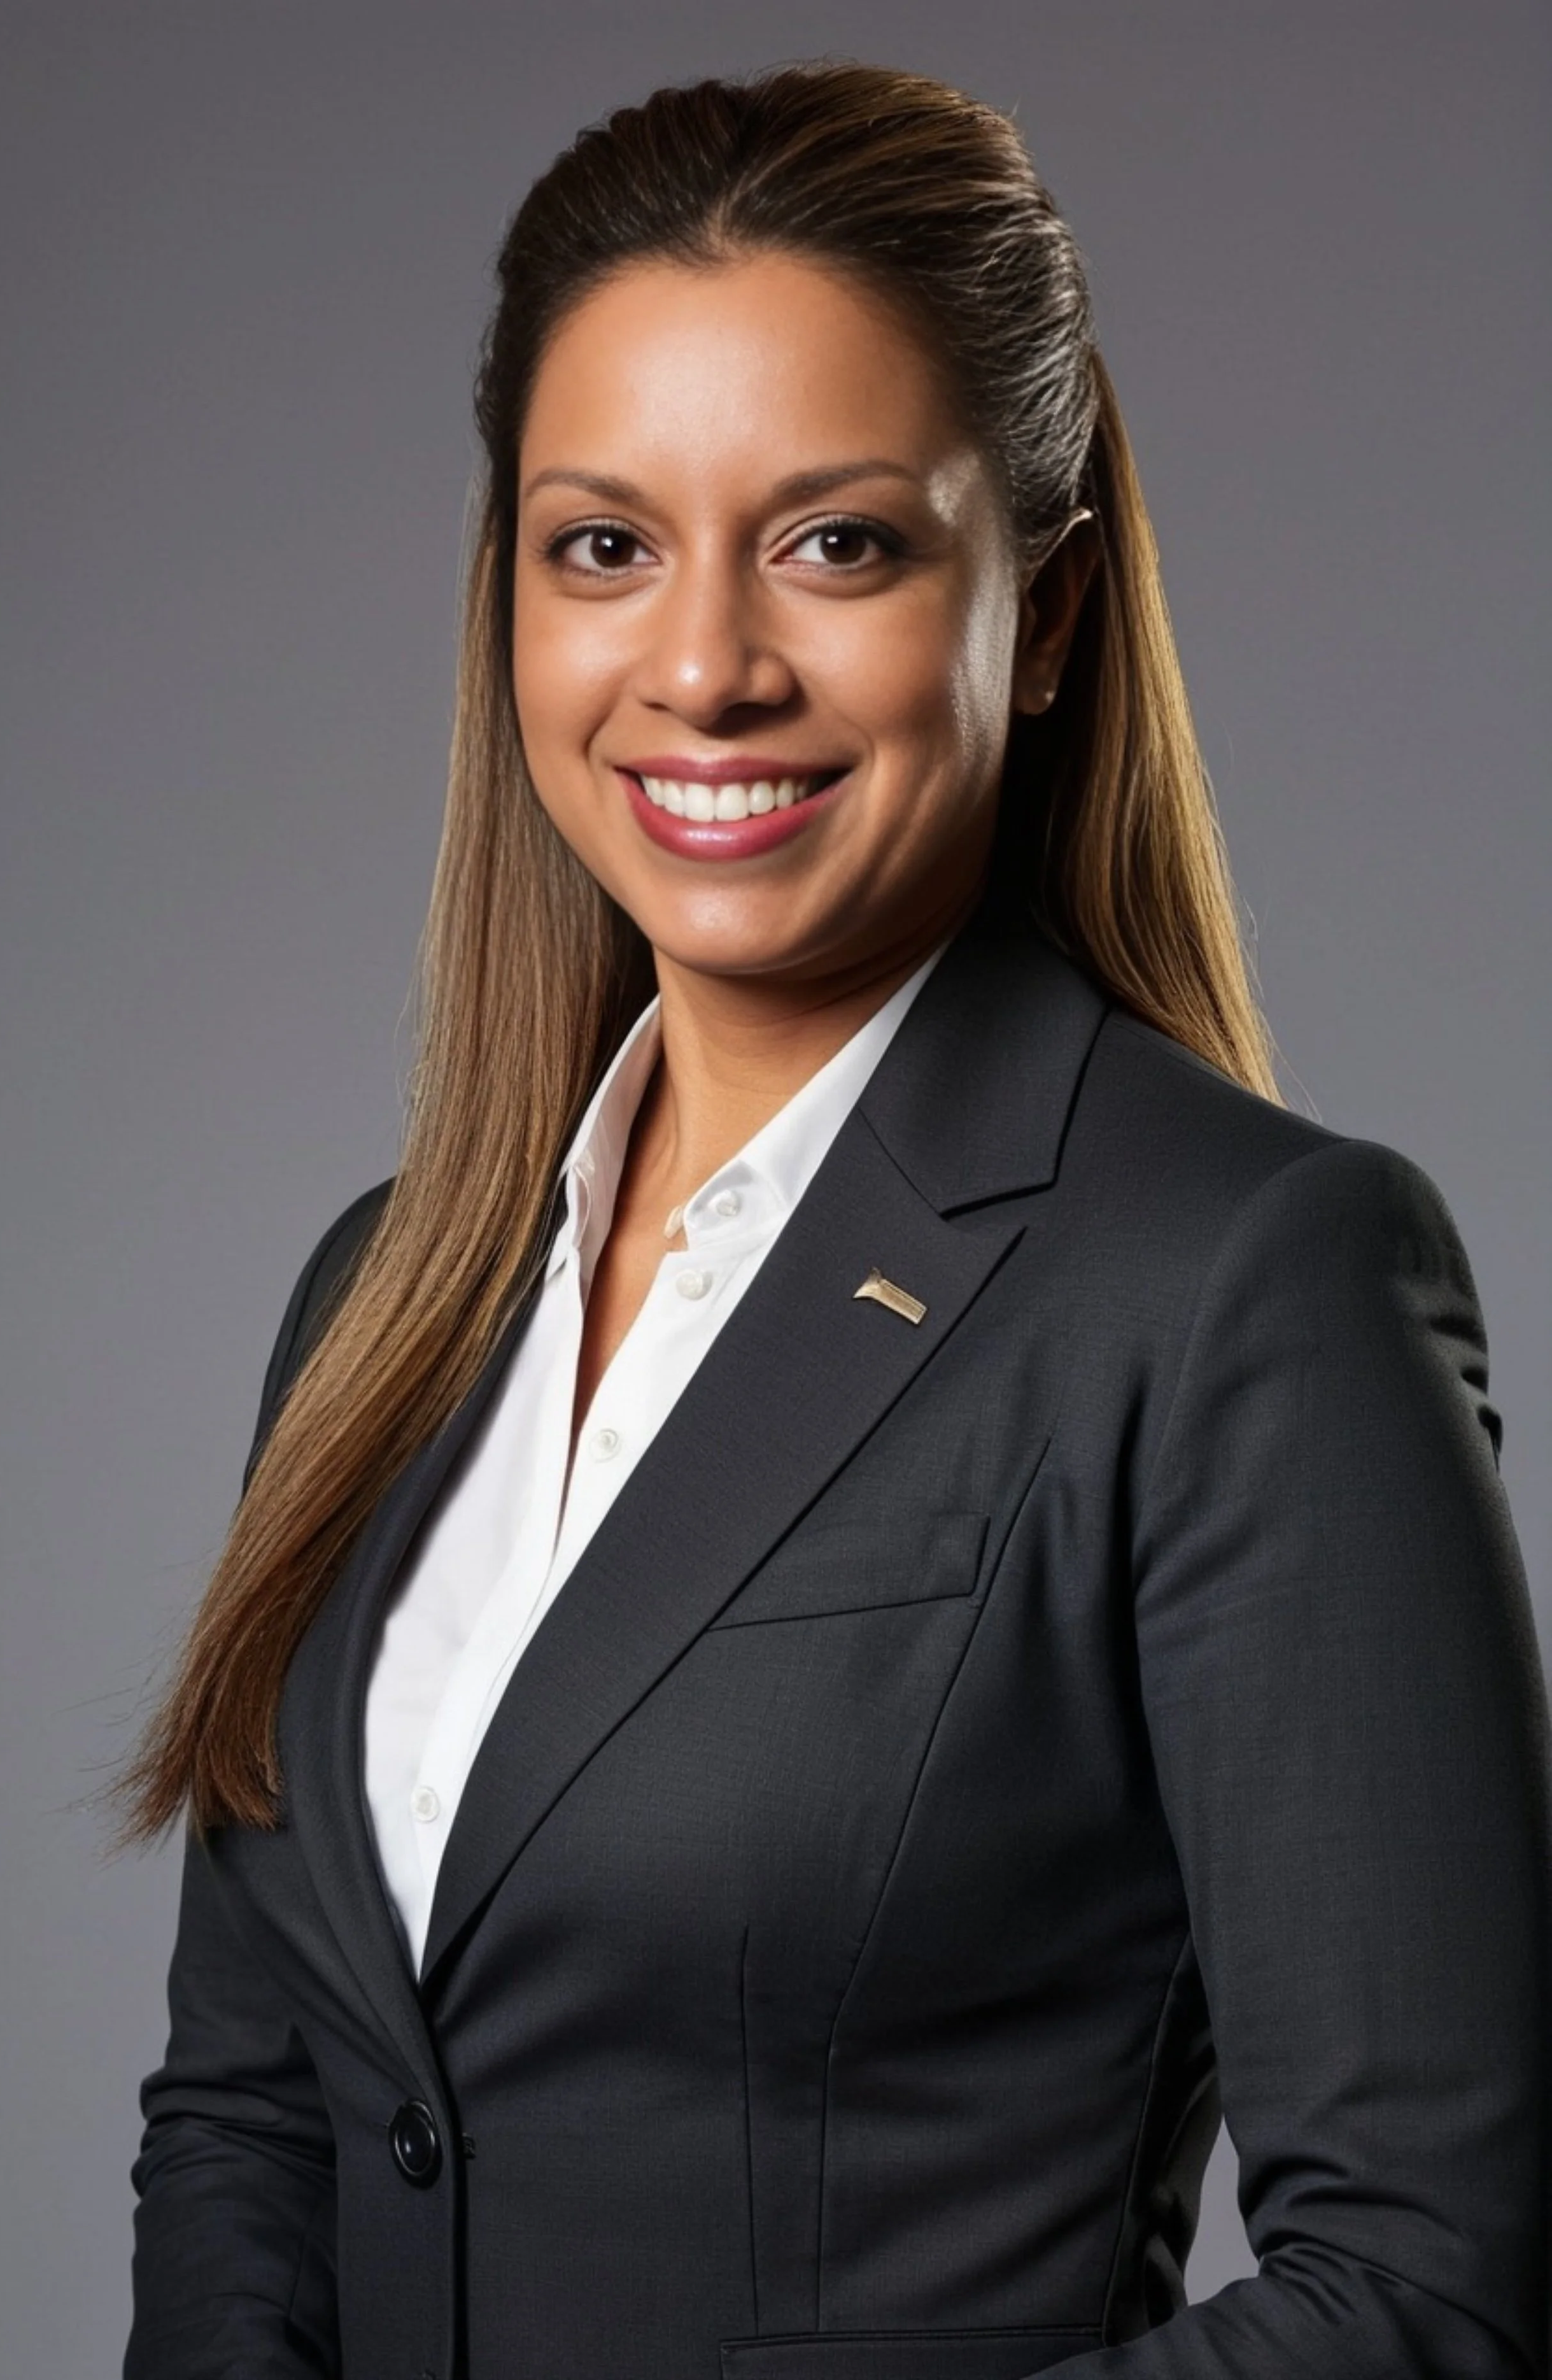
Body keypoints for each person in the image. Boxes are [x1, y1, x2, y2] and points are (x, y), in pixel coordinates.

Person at [118, 59, 1551, 2380]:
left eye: (837, 545)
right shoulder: (383, 1299)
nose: (702, 667)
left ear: (1045, 613)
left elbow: (1428, 2298)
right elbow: (258, 2114)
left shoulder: (1242, 1286)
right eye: (603, 547)